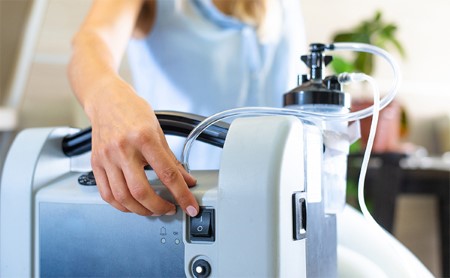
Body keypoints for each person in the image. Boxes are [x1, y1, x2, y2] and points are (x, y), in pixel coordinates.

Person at [68, 0, 306, 217]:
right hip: (197, 208)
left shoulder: (286, 7)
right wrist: (107, 99)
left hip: (292, 202)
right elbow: (91, 42)